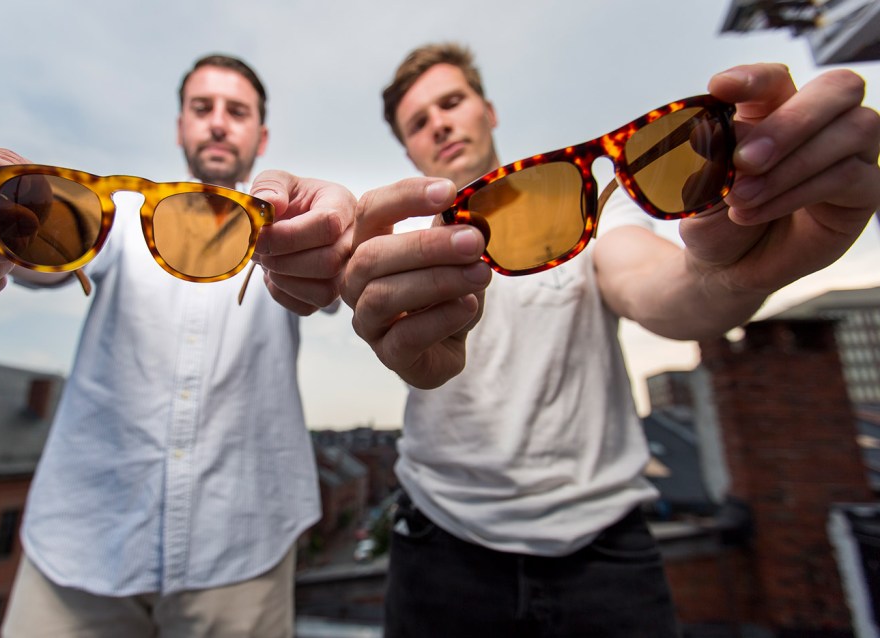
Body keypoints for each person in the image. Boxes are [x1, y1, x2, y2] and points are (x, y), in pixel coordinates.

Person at [341, 43, 880, 637]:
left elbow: (659, 287)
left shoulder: (589, 208)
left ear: (488, 110)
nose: (439, 123)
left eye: (451, 102)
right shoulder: (403, 247)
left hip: (604, 553)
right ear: (407, 146)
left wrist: (736, 275)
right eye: (418, 122)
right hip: (441, 547)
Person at [0, 53, 354, 637]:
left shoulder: (286, 232)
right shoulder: (119, 222)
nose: (219, 123)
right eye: (202, 108)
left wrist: (338, 238)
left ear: (261, 134)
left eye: (237, 111)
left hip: (243, 550)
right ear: (181, 126)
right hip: (81, 548)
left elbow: (325, 277)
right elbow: (43, 252)